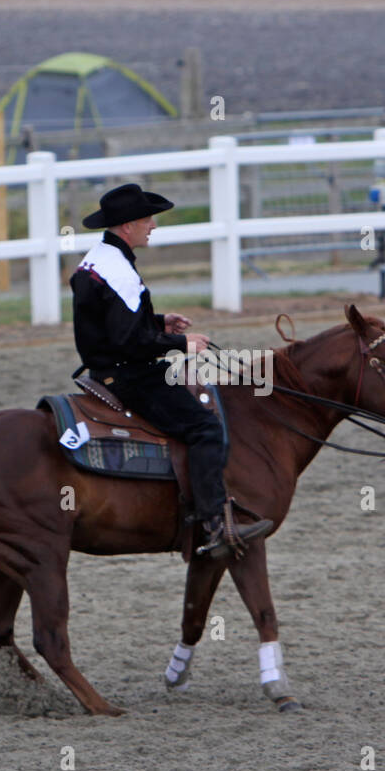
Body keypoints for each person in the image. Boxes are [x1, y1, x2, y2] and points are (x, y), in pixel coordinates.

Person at [70, 182, 273, 559]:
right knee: (205, 427)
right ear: (127, 225)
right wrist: (182, 344)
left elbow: (114, 326)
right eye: (148, 219)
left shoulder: (98, 260)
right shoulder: (120, 272)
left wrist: (159, 323)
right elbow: (129, 342)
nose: (153, 225)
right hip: (128, 374)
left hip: (107, 367)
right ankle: (214, 522)